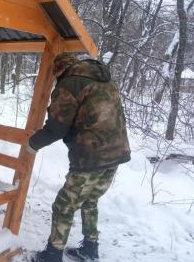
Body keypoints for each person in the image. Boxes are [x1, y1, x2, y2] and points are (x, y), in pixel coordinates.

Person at [26, 53, 131, 262]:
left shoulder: (69, 85)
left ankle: (52, 254)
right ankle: (90, 249)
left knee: (63, 205)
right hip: (117, 153)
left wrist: (32, 144)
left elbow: (56, 128)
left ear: (59, 71)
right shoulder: (106, 81)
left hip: (90, 157)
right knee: (90, 200)